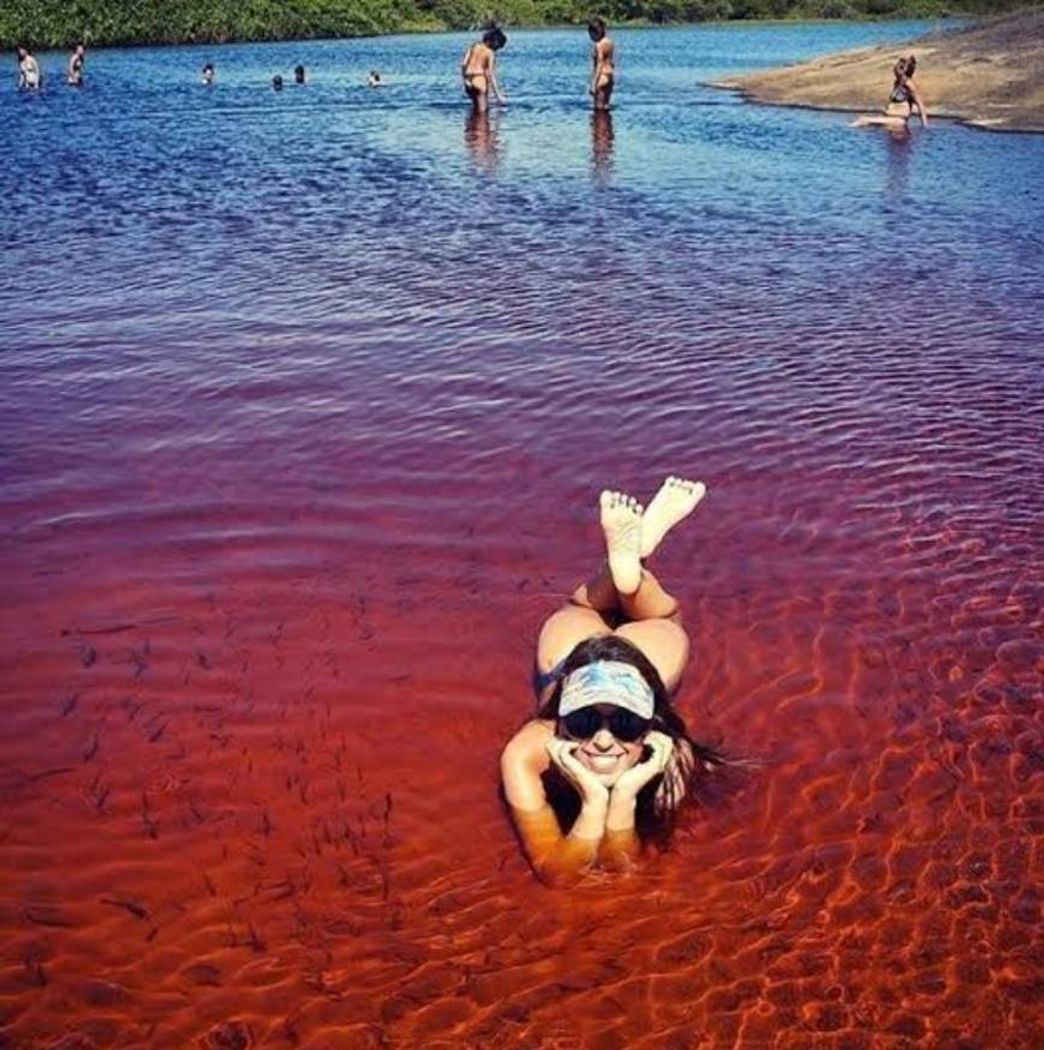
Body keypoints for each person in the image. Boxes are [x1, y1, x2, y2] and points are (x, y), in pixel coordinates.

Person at [501, 477, 726, 887]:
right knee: (640, 615)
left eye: (623, 723)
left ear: (651, 724)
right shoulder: (527, 752)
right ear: (562, 720)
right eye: (586, 721)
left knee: (592, 606)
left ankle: (631, 563)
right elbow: (558, 877)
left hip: (645, 659)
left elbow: (625, 872)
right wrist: (594, 800)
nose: (603, 740)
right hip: (567, 658)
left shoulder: (672, 756)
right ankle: (635, 561)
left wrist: (622, 796)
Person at [853, 56, 928, 131]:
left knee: (863, 120)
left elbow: (920, 105)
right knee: (865, 124)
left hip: (897, 120)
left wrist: (925, 126)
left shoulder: (909, 85)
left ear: (903, 70)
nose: (894, 70)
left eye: (897, 68)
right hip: (889, 119)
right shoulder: (897, 83)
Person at [461, 26, 506, 114]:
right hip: (479, 79)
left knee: (475, 109)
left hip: (468, 80)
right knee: (482, 113)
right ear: (495, 42)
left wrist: (465, 79)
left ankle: (471, 127)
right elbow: (490, 74)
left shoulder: (474, 46)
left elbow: (463, 64)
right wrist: (498, 95)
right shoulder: (490, 53)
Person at [588, 17, 615, 112]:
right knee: (606, 107)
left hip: (601, 76)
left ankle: (599, 126)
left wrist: (593, 83)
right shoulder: (610, 42)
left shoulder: (598, 45)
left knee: (598, 109)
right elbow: (611, 62)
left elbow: (599, 63)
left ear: (593, 32)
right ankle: (608, 126)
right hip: (610, 75)